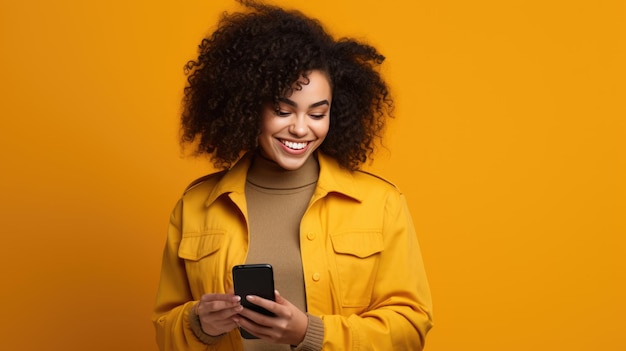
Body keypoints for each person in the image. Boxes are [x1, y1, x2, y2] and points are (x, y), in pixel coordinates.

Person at [152, 1, 433, 350]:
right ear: (248, 106)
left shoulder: (380, 203)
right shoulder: (196, 205)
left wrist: (309, 333)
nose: (300, 128)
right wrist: (198, 323)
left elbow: (410, 326)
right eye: (283, 110)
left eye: (317, 114)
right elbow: (165, 328)